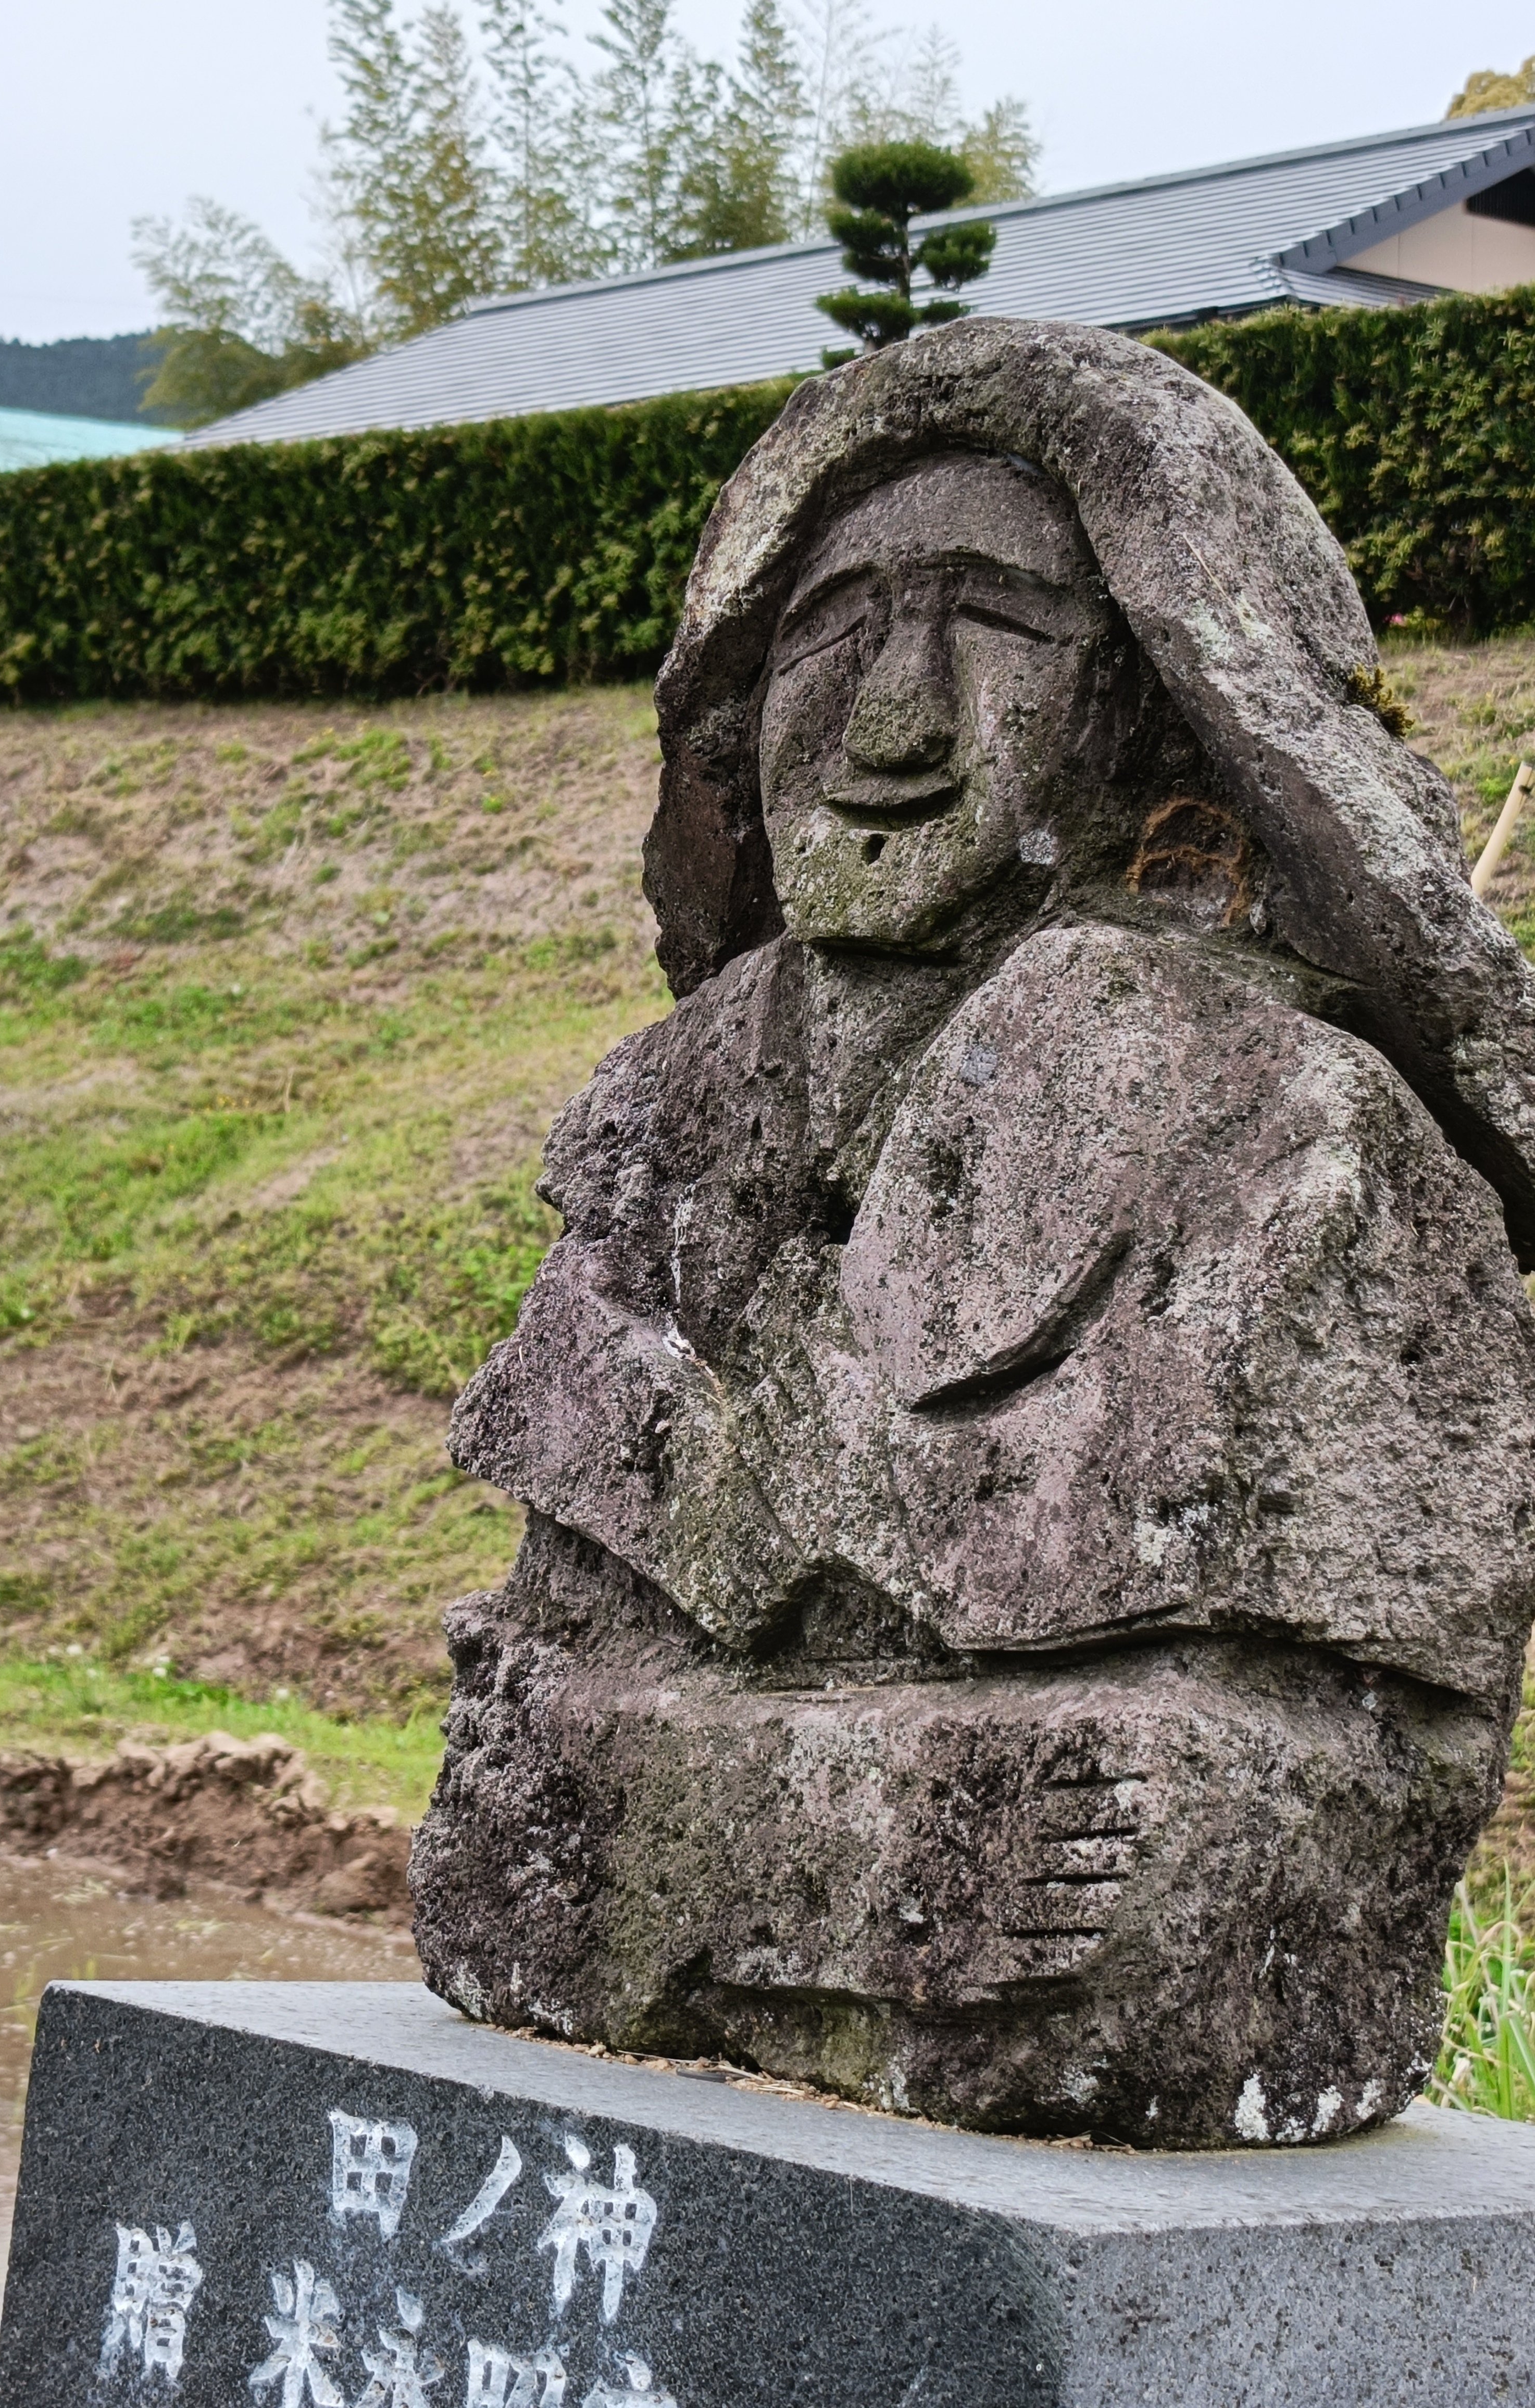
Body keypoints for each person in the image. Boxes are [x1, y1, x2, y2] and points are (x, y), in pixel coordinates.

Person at [413, 321, 1535, 2149]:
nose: (891, 713)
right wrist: (894, 1848)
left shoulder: (1294, 1146)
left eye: (996, 625)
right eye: (829, 627)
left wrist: (654, 1809)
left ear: (1154, 715)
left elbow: (1296, 1799)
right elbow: (497, 1774)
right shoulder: (653, 1127)